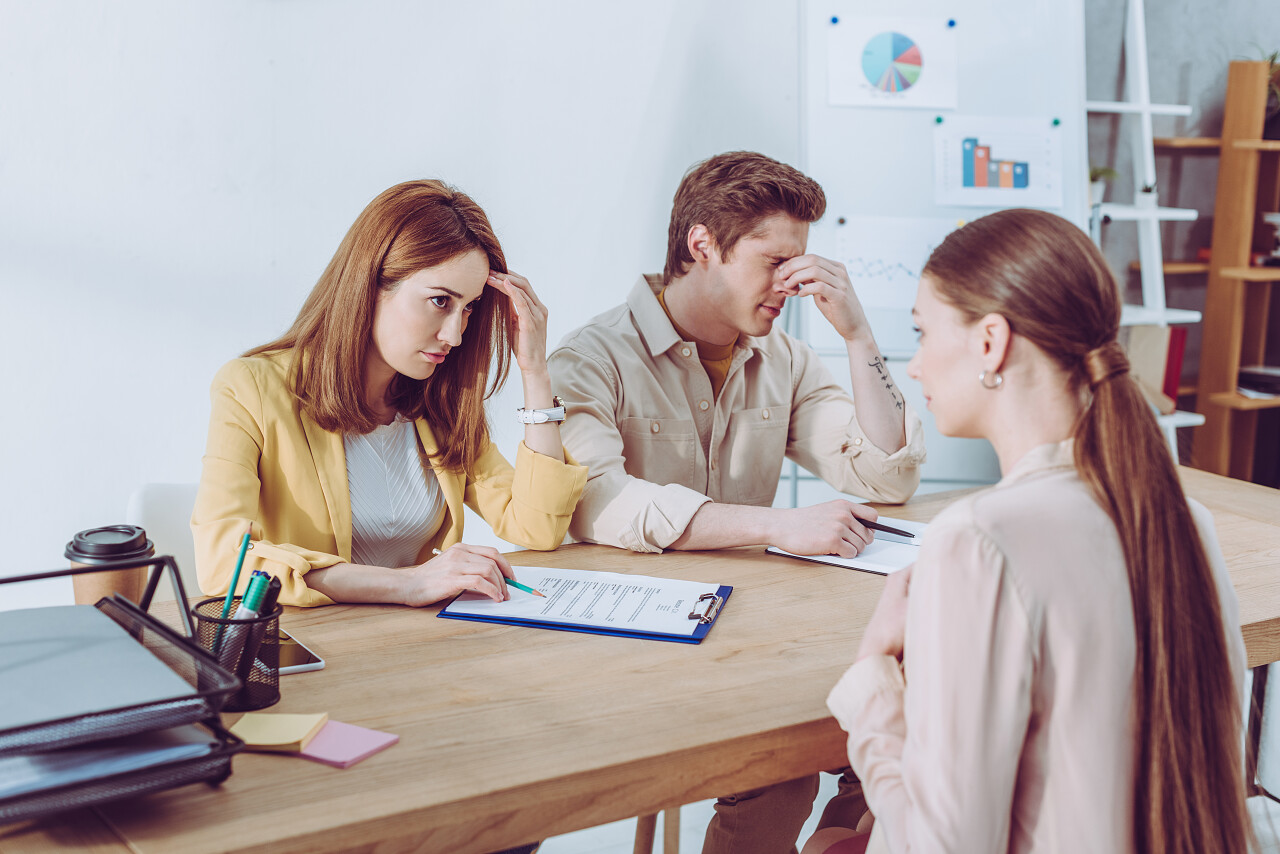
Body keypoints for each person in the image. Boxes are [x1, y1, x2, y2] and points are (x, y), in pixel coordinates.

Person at [809, 208, 1249, 854]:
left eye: (922, 333)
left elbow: (941, 847)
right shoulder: (1186, 521)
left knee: (829, 843)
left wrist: (873, 676)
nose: (915, 366)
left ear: (991, 342)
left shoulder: (980, 541)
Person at [548, 151, 926, 854]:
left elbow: (884, 475)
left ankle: (847, 837)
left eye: (800, 264)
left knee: (910, 700)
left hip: (751, 635)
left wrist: (858, 335)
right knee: (780, 765)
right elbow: (595, 501)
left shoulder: (782, 357)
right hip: (629, 644)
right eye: (774, 261)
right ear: (702, 246)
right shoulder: (588, 359)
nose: (791, 283)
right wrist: (781, 526)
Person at [192, 179, 588, 612]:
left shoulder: (439, 404)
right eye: (440, 301)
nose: (455, 334)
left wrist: (534, 371)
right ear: (371, 286)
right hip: (310, 652)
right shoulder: (250, 389)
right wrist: (407, 584)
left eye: (469, 307)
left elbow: (537, 525)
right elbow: (223, 563)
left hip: (412, 647)